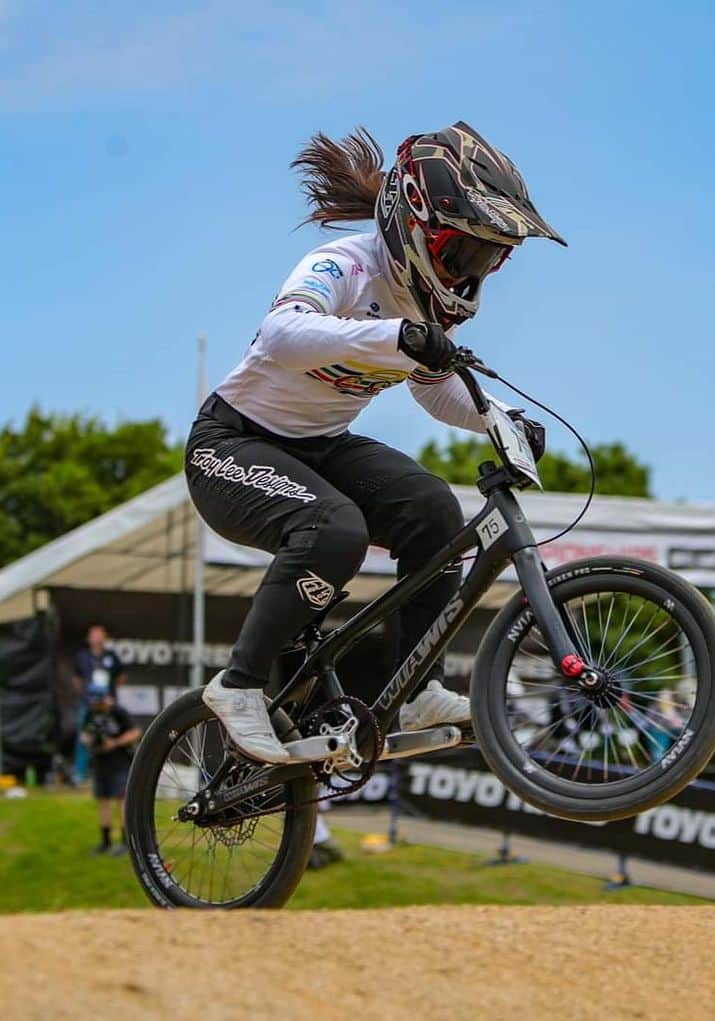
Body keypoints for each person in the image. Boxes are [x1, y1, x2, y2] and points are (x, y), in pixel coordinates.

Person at [190, 122, 563, 762]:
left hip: (321, 445)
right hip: (232, 445)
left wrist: (500, 418)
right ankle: (240, 685)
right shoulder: (346, 265)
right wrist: (395, 338)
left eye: (485, 259)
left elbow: (433, 387)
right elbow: (283, 334)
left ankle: (414, 689)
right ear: (418, 226)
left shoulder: (421, 306)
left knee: (436, 514)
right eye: (464, 253)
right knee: (335, 530)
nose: (471, 272)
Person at [79, 682, 141, 854]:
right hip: (100, 761)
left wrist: (115, 742)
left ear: (105, 698)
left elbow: (135, 732)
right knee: (103, 801)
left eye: (98, 701)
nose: (96, 705)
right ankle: (105, 842)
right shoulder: (91, 713)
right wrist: (89, 740)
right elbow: (84, 733)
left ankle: (125, 842)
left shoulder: (118, 712)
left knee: (121, 801)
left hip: (119, 762)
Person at [71, 625, 128, 783]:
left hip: (107, 705)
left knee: (110, 737)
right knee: (84, 736)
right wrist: (85, 694)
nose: (97, 638)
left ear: (105, 638)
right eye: (94, 635)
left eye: (100, 635)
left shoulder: (111, 656)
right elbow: (77, 679)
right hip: (89, 703)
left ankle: (110, 774)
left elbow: (121, 677)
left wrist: (110, 693)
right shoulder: (82, 656)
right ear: (89, 638)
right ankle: (80, 774)